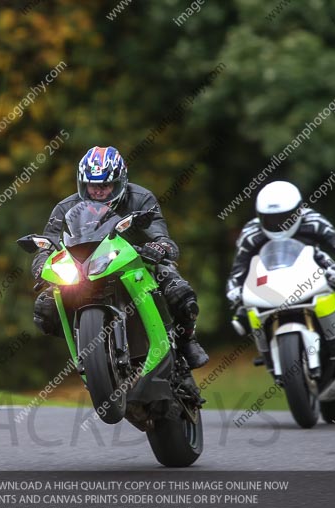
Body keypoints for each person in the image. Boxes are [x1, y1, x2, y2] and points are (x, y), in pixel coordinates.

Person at [31, 146, 209, 369]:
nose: (98, 191)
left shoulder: (141, 198)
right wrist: (41, 265)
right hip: (84, 268)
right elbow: (48, 243)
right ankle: (89, 348)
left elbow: (159, 233)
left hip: (138, 260)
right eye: (92, 185)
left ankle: (186, 341)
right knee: (45, 307)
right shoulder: (65, 207)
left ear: (120, 181)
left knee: (179, 291)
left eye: (105, 185)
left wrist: (160, 246)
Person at [225, 180, 335, 366]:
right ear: (259, 216)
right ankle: (266, 351)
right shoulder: (251, 233)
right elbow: (238, 270)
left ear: (298, 211)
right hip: (269, 282)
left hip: (311, 272)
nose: (278, 225)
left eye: (284, 217)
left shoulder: (314, 222)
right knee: (241, 311)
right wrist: (234, 290)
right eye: (270, 219)